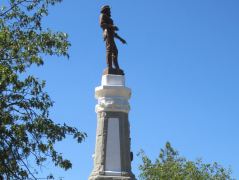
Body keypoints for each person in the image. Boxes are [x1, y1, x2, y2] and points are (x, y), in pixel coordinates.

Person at [99, 5, 127, 72]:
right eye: (109, 10)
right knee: (109, 50)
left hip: (111, 35)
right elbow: (102, 24)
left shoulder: (109, 19)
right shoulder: (102, 15)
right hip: (107, 35)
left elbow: (113, 32)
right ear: (105, 10)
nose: (110, 12)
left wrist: (121, 39)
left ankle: (116, 67)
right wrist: (112, 26)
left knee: (115, 51)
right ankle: (110, 67)